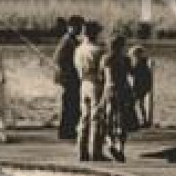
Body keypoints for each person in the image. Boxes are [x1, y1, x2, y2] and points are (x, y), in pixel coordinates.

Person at [73, 21, 107, 161]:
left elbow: (77, 68)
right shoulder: (98, 50)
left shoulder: (79, 49)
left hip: (83, 83)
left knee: (84, 117)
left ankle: (81, 151)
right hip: (95, 83)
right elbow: (103, 71)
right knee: (96, 118)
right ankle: (96, 151)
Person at [101, 34, 133, 161]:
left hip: (109, 90)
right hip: (123, 91)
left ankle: (110, 143)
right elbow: (132, 73)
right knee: (122, 121)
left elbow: (102, 76)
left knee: (108, 120)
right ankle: (120, 148)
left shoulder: (106, 58)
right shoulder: (125, 59)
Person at [53, 15, 84, 140]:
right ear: (71, 27)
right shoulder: (67, 40)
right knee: (70, 104)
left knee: (73, 104)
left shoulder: (71, 40)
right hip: (69, 78)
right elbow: (58, 59)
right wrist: (68, 71)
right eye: (78, 27)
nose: (80, 30)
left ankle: (69, 129)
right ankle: (66, 131)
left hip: (71, 78)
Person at [129, 45, 154, 129]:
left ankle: (137, 121)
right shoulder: (144, 64)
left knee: (135, 103)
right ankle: (143, 120)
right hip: (142, 87)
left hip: (139, 87)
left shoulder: (139, 64)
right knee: (140, 104)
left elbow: (132, 73)